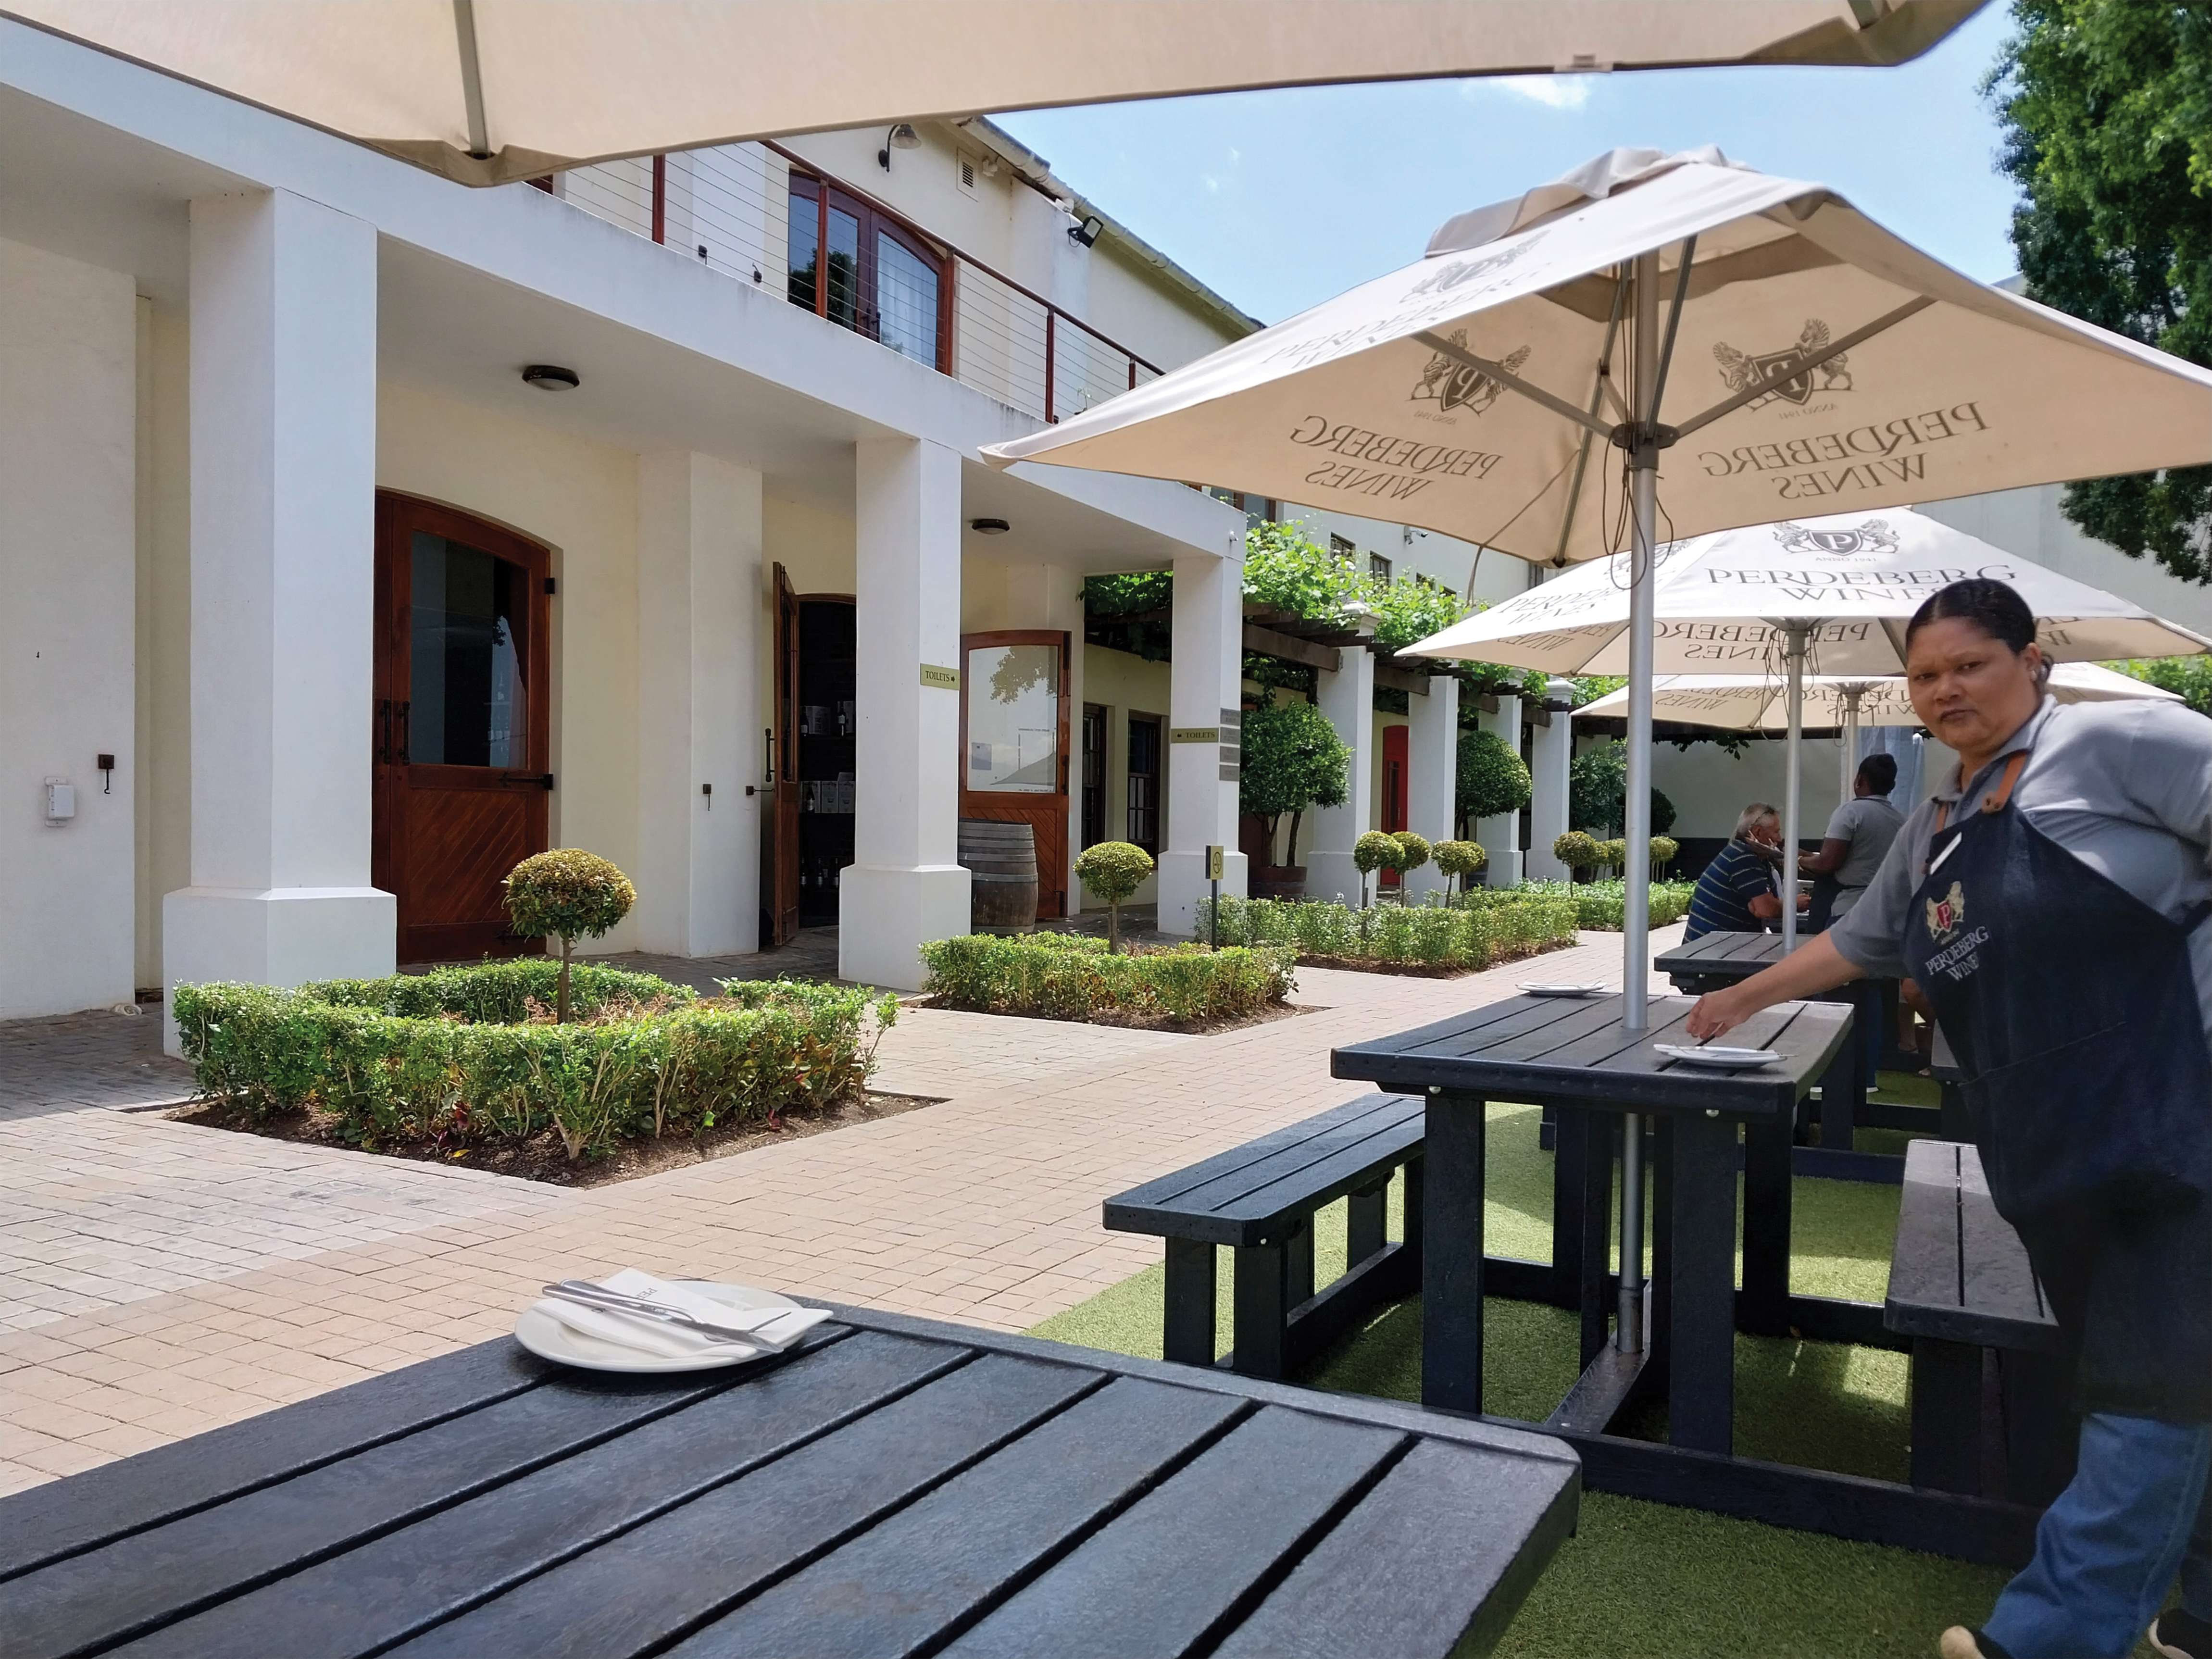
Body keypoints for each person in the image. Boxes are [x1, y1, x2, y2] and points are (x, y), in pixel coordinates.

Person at [1685, 577, 2212, 1659]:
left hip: (2177, 1120)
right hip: (2046, 1144)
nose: (1942, 689)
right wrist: (1742, 996)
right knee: (2164, 1369)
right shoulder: (1936, 823)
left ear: (2032, 661)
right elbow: (1860, 947)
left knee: (2145, 1378)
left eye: (1967, 664)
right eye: (1923, 675)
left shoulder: (2126, 745)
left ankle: (2047, 1637)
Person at [1801, 751, 1907, 931]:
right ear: (1893, 786)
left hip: (1849, 910)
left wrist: (1800, 861)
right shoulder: (1901, 820)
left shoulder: (1851, 812)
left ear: (1859, 780)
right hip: (1888, 910)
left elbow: (1828, 863)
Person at [1684, 802, 1793, 941]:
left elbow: (1763, 907)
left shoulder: (1748, 854)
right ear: (1758, 832)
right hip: (1710, 949)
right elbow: (1767, 910)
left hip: (1716, 943)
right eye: (1776, 832)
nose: (1779, 839)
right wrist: (1793, 904)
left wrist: (1766, 905)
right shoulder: (1743, 857)